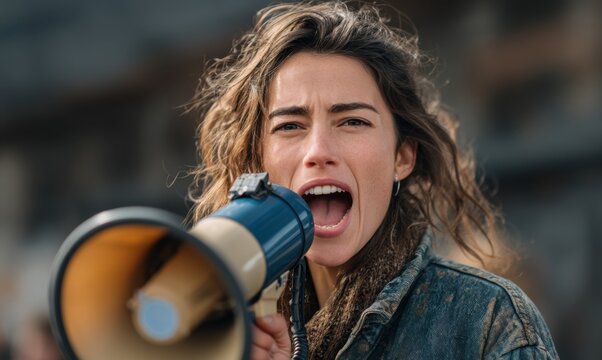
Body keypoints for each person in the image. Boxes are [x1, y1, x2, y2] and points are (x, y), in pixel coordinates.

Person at [189, 1, 559, 359]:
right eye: (289, 126)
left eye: (353, 121)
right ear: (259, 161)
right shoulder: (225, 329)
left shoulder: (488, 323)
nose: (318, 150)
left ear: (402, 156)